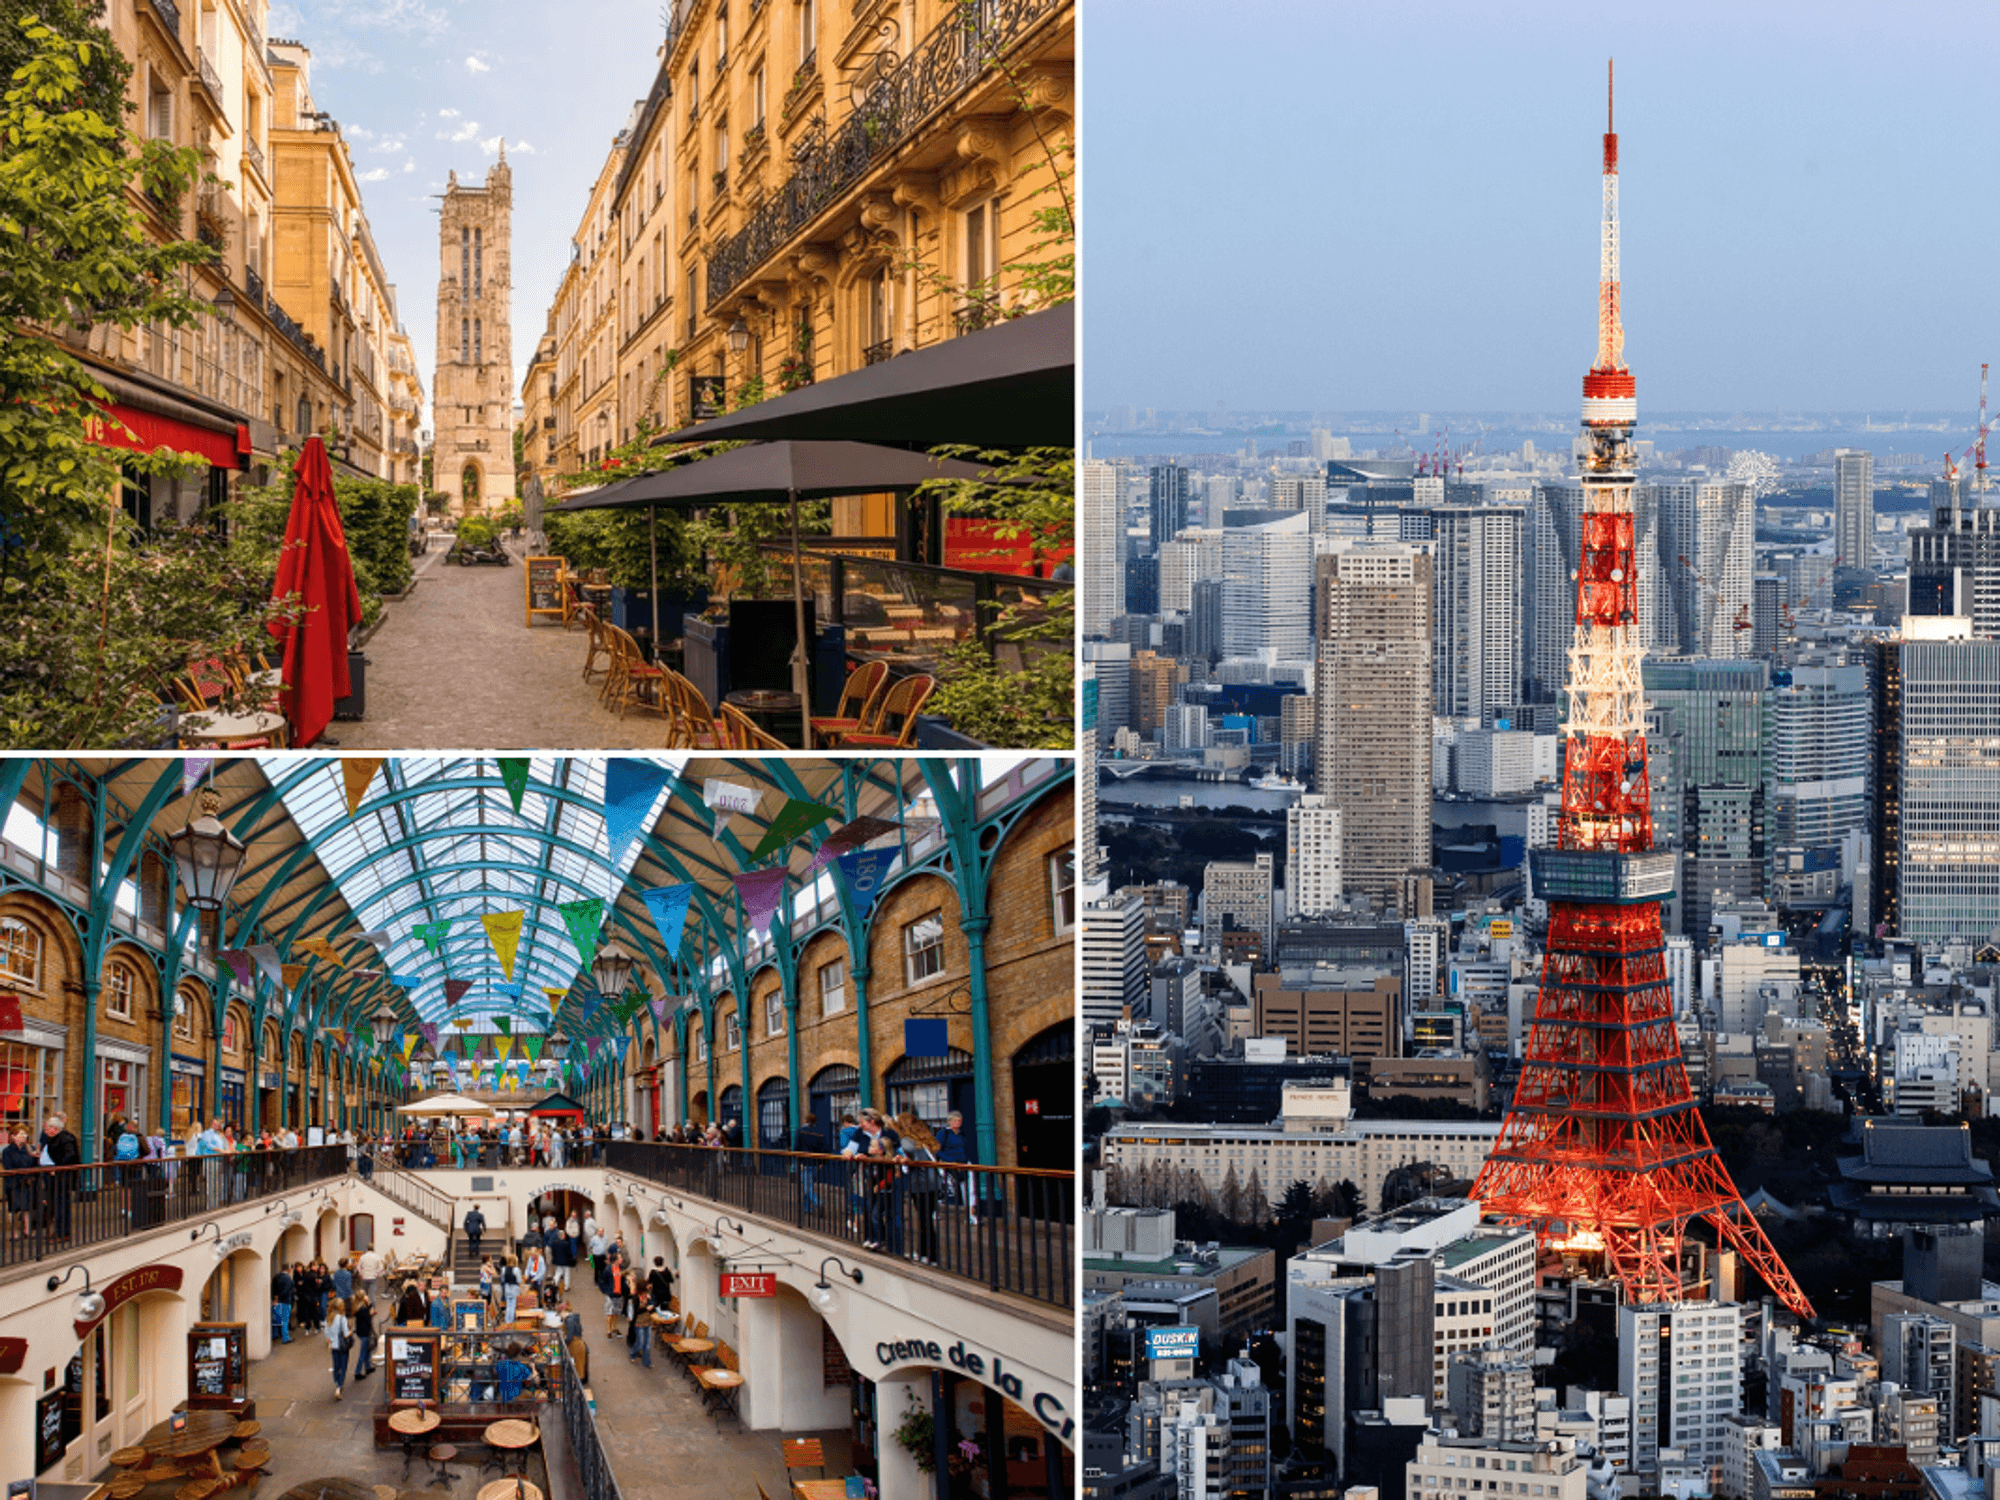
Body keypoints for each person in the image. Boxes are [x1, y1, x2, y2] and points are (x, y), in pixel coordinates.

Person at [895, 1112, 944, 1266]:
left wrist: (903, 1159)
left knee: (924, 1220)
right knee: (926, 1220)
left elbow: (911, 1156)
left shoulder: (906, 1141)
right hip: (933, 1184)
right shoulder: (925, 1140)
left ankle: (930, 1256)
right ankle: (924, 1253)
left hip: (920, 1184)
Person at [41, 1112, 79, 1240]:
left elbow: (70, 1155)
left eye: (47, 1128)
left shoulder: (65, 1139)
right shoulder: (58, 1138)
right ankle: (60, 1232)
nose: (46, 1131)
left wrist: (57, 1168)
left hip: (62, 1179)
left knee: (61, 1206)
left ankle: (62, 1233)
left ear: (54, 1128)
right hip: (57, 1178)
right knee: (58, 1205)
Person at [937, 1109, 976, 1224]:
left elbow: (964, 1149)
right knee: (943, 1190)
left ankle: (970, 1216)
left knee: (969, 1190)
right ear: (950, 1121)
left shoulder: (962, 1134)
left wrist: (967, 1161)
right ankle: (935, 1212)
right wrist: (950, 1161)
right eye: (956, 1120)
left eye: (960, 1121)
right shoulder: (943, 1133)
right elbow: (937, 1150)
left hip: (963, 1165)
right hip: (948, 1167)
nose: (958, 1123)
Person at [3, 1124, 36, 1238]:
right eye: (21, 1133)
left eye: (25, 1133)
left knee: (27, 1208)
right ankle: (14, 1231)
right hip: (13, 1183)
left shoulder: (30, 1149)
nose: (24, 1136)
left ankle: (27, 1230)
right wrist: (24, 1177)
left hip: (27, 1183)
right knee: (13, 1209)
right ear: (13, 1136)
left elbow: (34, 1164)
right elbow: (8, 1167)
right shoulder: (7, 1151)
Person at [326, 1296, 353, 1400]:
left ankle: (336, 1380)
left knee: (336, 1365)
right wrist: (351, 1331)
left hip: (334, 1346)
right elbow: (346, 1334)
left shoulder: (328, 1318)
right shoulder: (342, 1318)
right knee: (343, 1366)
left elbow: (327, 1334)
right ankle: (338, 1387)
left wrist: (329, 1343)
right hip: (343, 1346)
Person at [352, 1290, 376, 1379]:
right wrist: (370, 1311)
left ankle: (368, 1366)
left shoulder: (357, 1308)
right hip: (365, 1332)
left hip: (360, 1332)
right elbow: (368, 1320)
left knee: (367, 1350)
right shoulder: (364, 1309)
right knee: (363, 1352)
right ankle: (357, 1372)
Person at [270, 1262, 295, 1343]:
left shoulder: (276, 1276)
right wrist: (280, 1297)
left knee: (276, 1319)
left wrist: (274, 1298)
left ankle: (275, 1335)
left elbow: (272, 1288)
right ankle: (285, 1338)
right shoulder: (288, 1279)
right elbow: (286, 1291)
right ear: (289, 1269)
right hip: (286, 1301)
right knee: (285, 1320)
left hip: (276, 1301)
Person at [500, 1254, 522, 1325]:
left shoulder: (504, 1269)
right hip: (514, 1288)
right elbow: (519, 1281)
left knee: (508, 1305)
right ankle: (511, 1321)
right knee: (513, 1305)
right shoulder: (516, 1270)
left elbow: (502, 1279)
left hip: (507, 1288)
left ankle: (507, 1320)